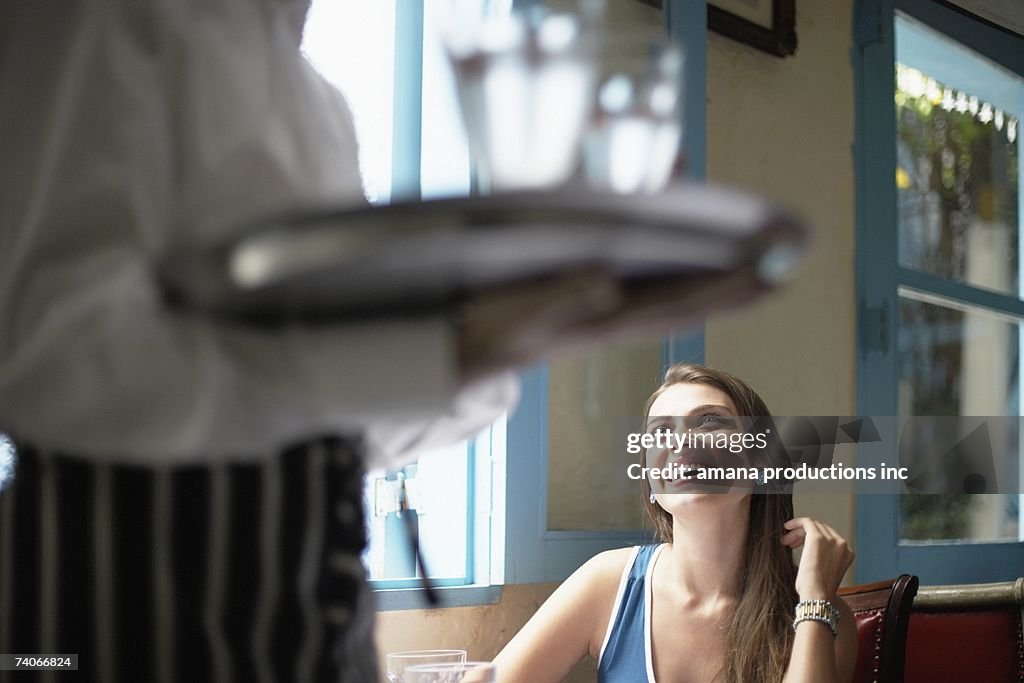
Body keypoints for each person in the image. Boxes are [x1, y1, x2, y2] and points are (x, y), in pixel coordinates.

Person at [0, 3, 769, 682]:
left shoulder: (316, 98)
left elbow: (342, 417)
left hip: (316, 609)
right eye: (664, 431)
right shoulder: (93, 19)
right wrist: (449, 348)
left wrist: (506, 333)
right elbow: (41, 358)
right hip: (116, 600)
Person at [493, 363, 858, 682]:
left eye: (710, 421)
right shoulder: (607, 583)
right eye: (660, 432)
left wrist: (812, 599)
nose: (681, 441)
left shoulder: (823, 614)